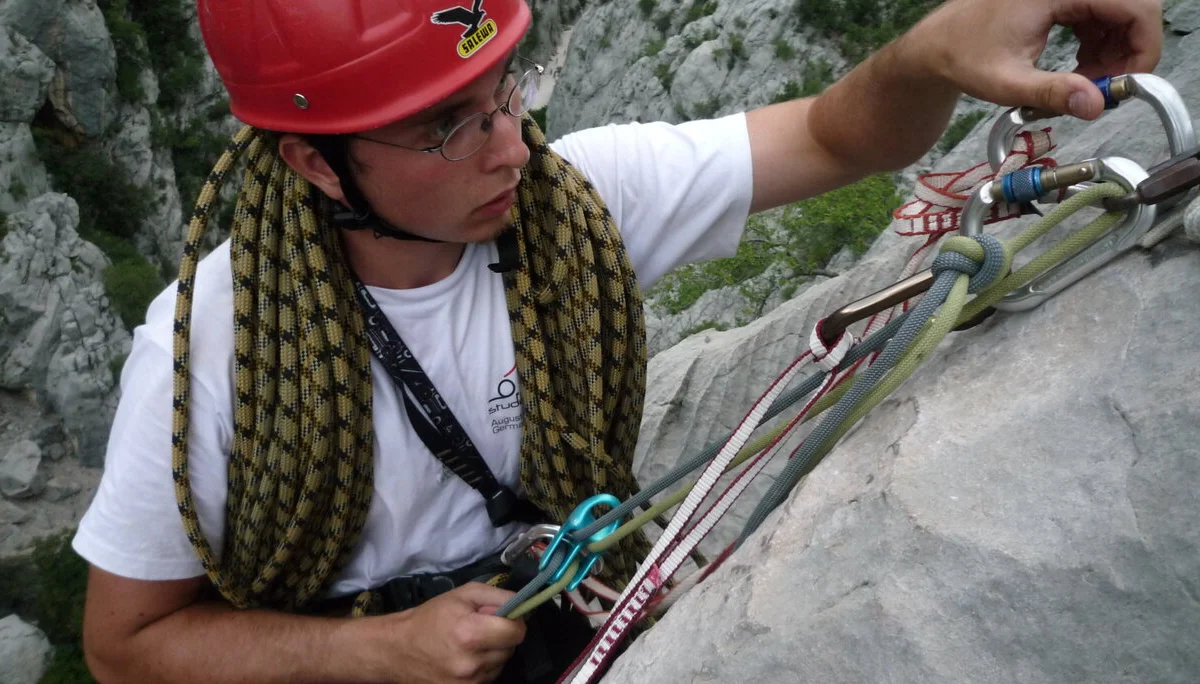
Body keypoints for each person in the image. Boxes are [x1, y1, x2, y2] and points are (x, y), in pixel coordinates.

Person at [71, 0, 1162, 682]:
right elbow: (126, 647)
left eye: (505, 93)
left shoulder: (569, 203)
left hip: (571, 599)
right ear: (315, 164)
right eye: (447, 127)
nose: (510, 147)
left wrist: (933, 51)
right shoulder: (207, 346)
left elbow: (834, 135)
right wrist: (367, 655)